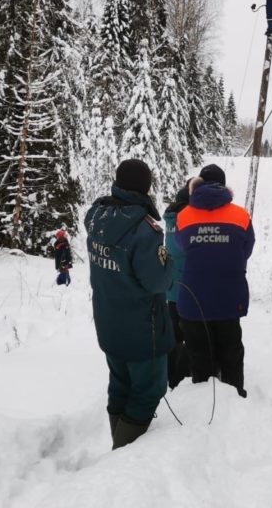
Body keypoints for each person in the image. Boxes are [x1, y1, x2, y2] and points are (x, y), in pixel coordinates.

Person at [85, 158, 175, 449]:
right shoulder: (143, 231)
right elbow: (158, 282)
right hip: (141, 329)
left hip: (109, 322)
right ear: (145, 187)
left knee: (121, 383)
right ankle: (123, 454)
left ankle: (119, 446)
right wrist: (168, 263)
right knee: (149, 390)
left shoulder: (98, 217)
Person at [175, 164, 255, 397]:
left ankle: (205, 409)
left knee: (199, 356)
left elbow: (182, 247)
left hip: (192, 298)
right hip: (229, 297)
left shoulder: (184, 215)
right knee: (231, 352)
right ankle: (235, 399)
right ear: (223, 184)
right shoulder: (241, 215)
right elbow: (246, 250)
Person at [163, 181, 192, 389]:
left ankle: (169, 375)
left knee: (173, 336)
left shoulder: (170, 220)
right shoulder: (187, 220)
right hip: (188, 288)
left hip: (172, 287)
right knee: (189, 335)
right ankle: (181, 378)